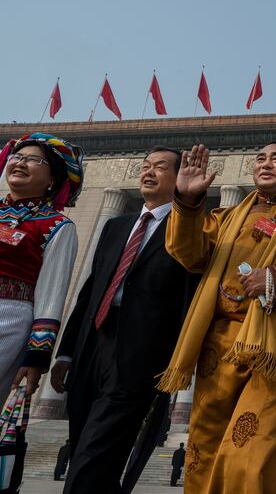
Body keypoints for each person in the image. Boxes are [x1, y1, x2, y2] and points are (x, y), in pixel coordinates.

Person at [157, 142, 276, 493]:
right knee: (205, 445)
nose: (266, 163)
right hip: (220, 342)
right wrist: (187, 201)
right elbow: (188, 253)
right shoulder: (226, 218)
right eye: (260, 158)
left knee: (256, 447)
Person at [50, 147, 198, 494]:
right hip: (94, 344)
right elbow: (90, 292)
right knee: (89, 448)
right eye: (145, 166)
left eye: (161, 167)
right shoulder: (117, 226)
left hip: (138, 354)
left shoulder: (189, 231)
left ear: (179, 178)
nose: (149, 172)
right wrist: (67, 352)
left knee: (93, 453)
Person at [0, 133, 83, 401]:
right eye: (18, 157)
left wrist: (37, 354)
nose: (21, 163)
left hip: (8, 318)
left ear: (52, 180)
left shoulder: (57, 226)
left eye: (34, 160)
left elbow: (51, 295)